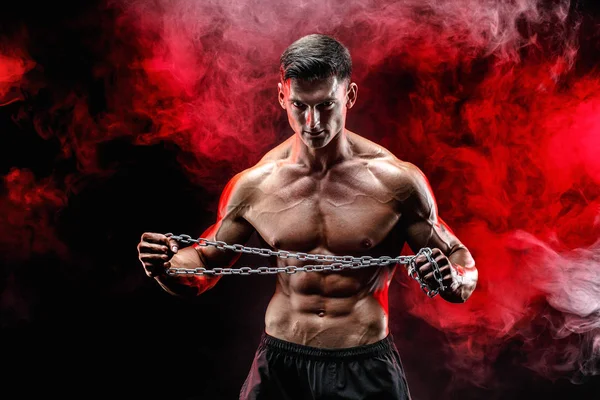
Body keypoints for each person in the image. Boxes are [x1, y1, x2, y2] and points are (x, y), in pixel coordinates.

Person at [137, 34, 478, 400]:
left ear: (349, 96)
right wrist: (167, 265)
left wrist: (452, 279)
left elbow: (460, 261)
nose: (312, 122)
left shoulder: (396, 182)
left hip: (364, 365)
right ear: (282, 95)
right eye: (299, 105)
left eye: (326, 105)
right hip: (281, 365)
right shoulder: (256, 184)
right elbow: (203, 265)